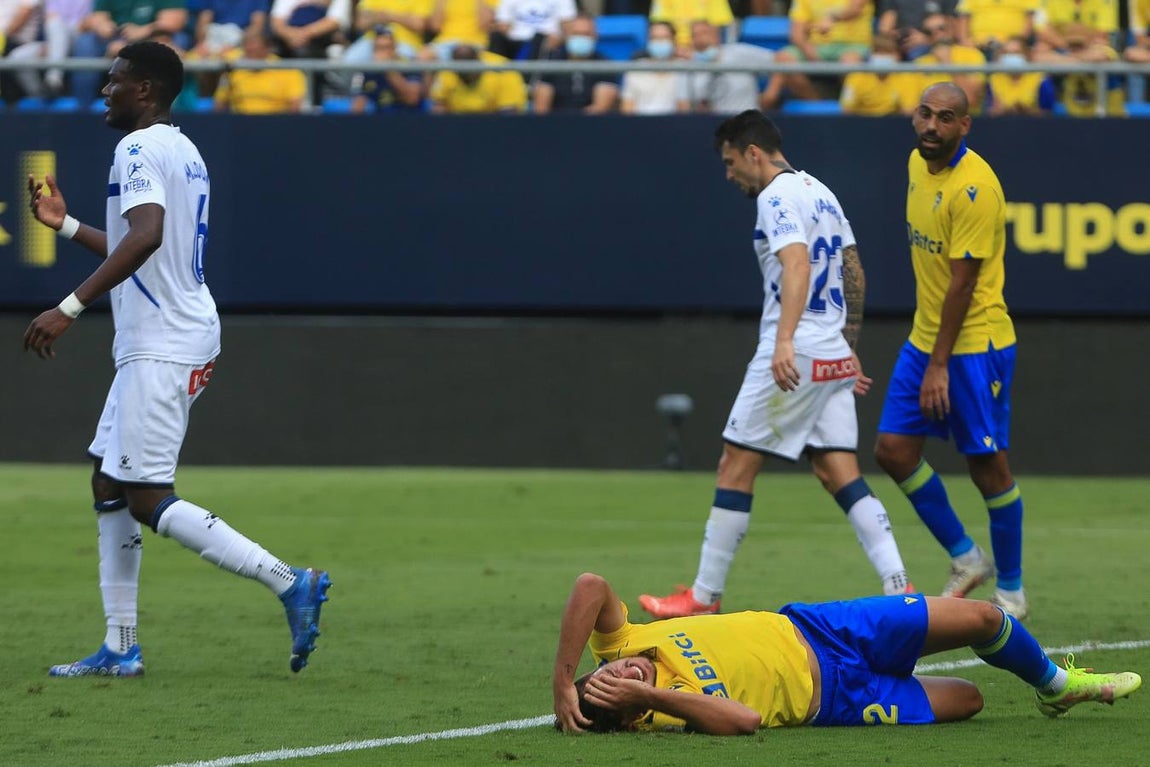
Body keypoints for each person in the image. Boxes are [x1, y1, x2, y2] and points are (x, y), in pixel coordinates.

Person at [23, 41, 331, 677]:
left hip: (163, 342)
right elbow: (142, 244)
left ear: (144, 89)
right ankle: (120, 645)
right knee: (110, 482)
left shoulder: (136, 148)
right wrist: (63, 224)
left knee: (145, 494)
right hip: (164, 335)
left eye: (113, 81)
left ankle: (290, 582)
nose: (103, 91)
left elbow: (145, 237)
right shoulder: (183, 148)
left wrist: (68, 308)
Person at [638, 110, 913, 621]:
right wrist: (846, 343)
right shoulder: (822, 192)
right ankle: (901, 585)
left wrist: (785, 340)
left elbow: (797, 263)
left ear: (753, 154)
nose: (729, 175)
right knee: (839, 473)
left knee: (735, 463)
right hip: (829, 350)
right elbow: (854, 270)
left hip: (796, 349)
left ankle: (702, 597)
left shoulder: (775, 196)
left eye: (730, 162)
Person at [553, 572, 1142, 733]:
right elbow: (747, 720)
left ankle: (1055, 685)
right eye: (618, 687)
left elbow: (589, 585)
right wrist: (649, 693)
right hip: (837, 698)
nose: (622, 669)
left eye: (606, 671)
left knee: (985, 617)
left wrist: (563, 682)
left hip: (826, 630)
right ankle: (1048, 693)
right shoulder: (667, 708)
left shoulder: (625, 640)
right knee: (969, 699)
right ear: (631, 713)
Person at [874, 82, 1025, 622]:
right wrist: (929, 352)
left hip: (973, 345)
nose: (931, 126)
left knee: (988, 467)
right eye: (925, 114)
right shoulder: (918, 164)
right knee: (893, 450)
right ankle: (967, 557)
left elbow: (962, 284)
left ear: (965, 125)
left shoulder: (976, 189)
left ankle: (1011, 591)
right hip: (926, 336)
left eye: (945, 118)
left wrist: (939, 364)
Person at [759, 0, 874, 109]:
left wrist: (832, 17)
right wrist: (812, 55)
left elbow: (855, 9)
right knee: (783, 58)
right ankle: (817, 106)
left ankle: (850, 110)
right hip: (816, 47)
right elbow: (797, 34)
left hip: (853, 45)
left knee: (850, 61)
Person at [678, 19, 775, 114]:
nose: (701, 39)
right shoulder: (687, 66)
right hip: (713, 124)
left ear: (717, 36)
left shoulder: (739, 52)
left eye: (705, 33)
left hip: (747, 122)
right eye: (695, 35)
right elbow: (684, 106)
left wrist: (770, 94)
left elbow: (782, 59)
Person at [531, 12, 618, 115]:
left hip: (592, 125)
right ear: (566, 36)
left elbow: (600, 108)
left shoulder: (605, 65)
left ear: (595, 36)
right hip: (554, 124)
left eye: (586, 34)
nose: (581, 38)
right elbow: (541, 108)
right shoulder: (551, 63)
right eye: (576, 34)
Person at [213, 25, 308, 113]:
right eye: (246, 46)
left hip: (276, 122)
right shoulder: (232, 69)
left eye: (254, 47)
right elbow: (220, 103)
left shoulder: (287, 70)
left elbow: (295, 106)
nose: (249, 49)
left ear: (267, 48)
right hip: (240, 122)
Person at [349, 25, 424, 113]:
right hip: (380, 120)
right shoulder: (368, 71)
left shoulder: (409, 65)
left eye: (386, 48)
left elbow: (412, 99)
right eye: (379, 48)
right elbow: (358, 105)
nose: (383, 53)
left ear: (395, 47)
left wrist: (389, 70)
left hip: (408, 117)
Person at [619, 20, 687, 115]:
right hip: (640, 125)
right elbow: (627, 108)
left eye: (665, 38)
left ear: (674, 41)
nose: (659, 42)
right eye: (655, 38)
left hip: (674, 125)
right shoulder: (636, 68)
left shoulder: (684, 68)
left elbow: (684, 109)